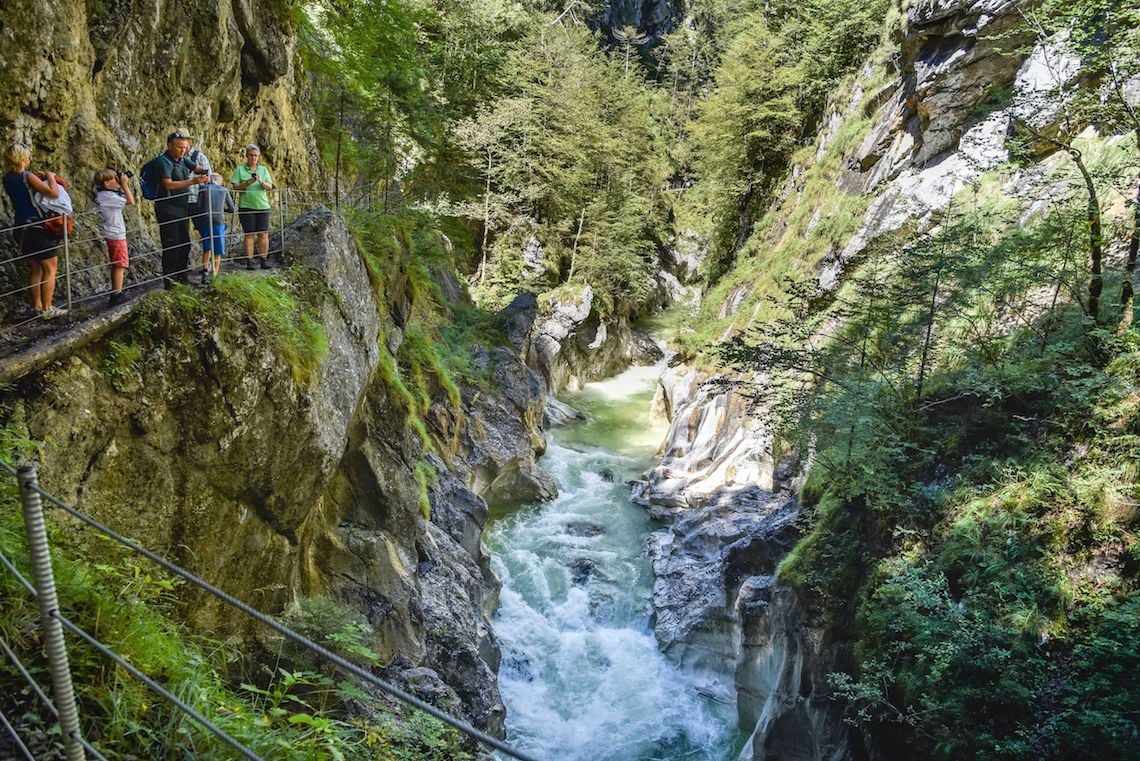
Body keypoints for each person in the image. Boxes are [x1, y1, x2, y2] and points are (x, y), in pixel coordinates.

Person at [2, 142, 65, 318]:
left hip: (21, 227)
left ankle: (37, 307)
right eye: (28, 156)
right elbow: (53, 193)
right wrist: (51, 176)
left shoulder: (7, 178)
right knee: (50, 269)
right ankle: (47, 308)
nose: (30, 158)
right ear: (23, 158)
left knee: (35, 269)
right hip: (37, 228)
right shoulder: (27, 176)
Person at [154, 130, 209, 289]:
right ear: (170, 145)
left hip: (182, 209)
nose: (183, 150)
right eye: (179, 147)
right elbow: (168, 184)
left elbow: (199, 168)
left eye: (185, 147)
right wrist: (192, 182)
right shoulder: (163, 161)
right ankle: (170, 283)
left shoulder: (183, 160)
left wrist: (205, 173)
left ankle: (182, 277)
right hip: (168, 210)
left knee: (185, 244)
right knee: (171, 245)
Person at [93, 168, 135, 306]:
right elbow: (130, 201)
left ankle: (117, 292)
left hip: (114, 232)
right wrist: (124, 184)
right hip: (115, 234)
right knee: (120, 265)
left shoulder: (106, 195)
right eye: (114, 179)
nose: (117, 181)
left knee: (119, 264)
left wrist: (120, 186)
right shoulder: (107, 196)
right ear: (107, 183)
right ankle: (117, 295)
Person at [230, 144, 274, 270]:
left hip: (262, 205)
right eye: (251, 155)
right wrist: (246, 183)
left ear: (259, 157)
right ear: (246, 156)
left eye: (256, 155)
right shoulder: (240, 170)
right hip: (246, 206)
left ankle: (263, 259)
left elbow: (269, 187)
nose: (253, 158)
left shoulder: (264, 170)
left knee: (263, 234)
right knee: (249, 234)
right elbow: (235, 187)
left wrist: (261, 182)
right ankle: (249, 261)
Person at [195, 173, 235, 283]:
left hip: (205, 220)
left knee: (207, 246)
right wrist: (222, 210)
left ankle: (205, 270)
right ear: (219, 181)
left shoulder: (203, 189)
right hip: (218, 220)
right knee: (218, 248)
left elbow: (198, 206)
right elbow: (232, 208)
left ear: (210, 180)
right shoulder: (223, 190)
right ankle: (215, 273)